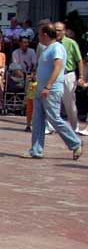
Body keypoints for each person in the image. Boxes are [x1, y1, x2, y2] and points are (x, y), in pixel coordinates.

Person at [22, 22, 82, 159]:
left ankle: (75, 143)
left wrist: (48, 86)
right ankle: (36, 149)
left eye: (39, 34)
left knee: (54, 118)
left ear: (44, 34)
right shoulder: (46, 49)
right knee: (38, 120)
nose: (38, 37)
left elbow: (58, 67)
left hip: (51, 90)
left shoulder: (57, 48)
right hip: (40, 89)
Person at [57, 23, 87, 135]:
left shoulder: (71, 43)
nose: (57, 32)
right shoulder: (52, 43)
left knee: (69, 103)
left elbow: (79, 60)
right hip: (55, 75)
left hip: (67, 74)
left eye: (59, 30)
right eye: (55, 30)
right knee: (53, 102)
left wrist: (81, 76)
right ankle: (50, 126)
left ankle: (74, 126)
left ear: (64, 31)